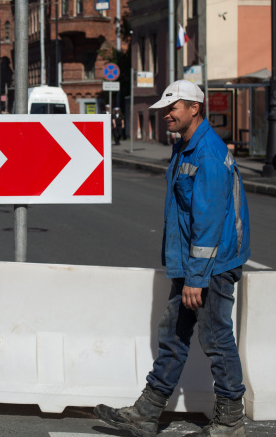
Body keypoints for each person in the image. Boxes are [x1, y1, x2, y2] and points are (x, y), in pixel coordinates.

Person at [94, 80, 250, 437]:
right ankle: (147, 413)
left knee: (215, 337)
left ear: (195, 108)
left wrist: (196, 277)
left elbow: (208, 222)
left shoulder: (206, 154)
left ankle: (230, 419)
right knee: (174, 334)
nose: (166, 114)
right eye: (165, 108)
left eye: (173, 107)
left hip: (212, 267)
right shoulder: (185, 147)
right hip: (193, 264)